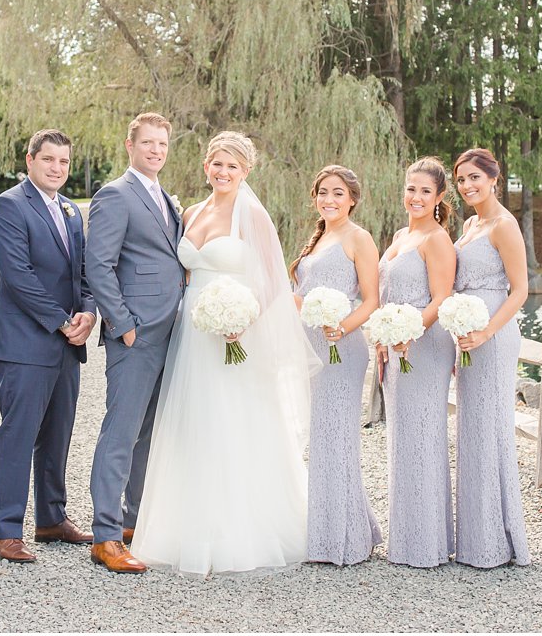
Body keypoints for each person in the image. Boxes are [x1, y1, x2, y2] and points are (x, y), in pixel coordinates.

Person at [130, 131, 321, 575]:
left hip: (236, 334)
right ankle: (186, 528)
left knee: (234, 422)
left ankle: (238, 534)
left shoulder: (252, 214)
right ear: (205, 166)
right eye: (217, 163)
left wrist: (242, 322)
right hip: (191, 334)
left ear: (246, 171)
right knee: (191, 423)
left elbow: (275, 281)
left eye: (232, 166)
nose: (223, 172)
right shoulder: (191, 212)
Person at [0, 129, 98, 563]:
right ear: (29, 160)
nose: (57, 168)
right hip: (26, 341)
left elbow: (82, 272)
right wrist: (62, 320)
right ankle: (6, 530)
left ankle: (51, 518)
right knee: (18, 434)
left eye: (64, 162)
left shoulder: (70, 211)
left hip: (67, 342)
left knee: (57, 433)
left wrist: (88, 312)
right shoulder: (10, 206)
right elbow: (18, 276)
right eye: (48, 160)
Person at [85, 112, 187, 573]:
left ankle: (133, 523)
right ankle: (105, 537)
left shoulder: (167, 199)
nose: (156, 151)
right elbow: (99, 264)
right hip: (136, 332)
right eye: (148, 143)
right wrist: (122, 323)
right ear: (130, 145)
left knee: (148, 434)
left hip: (172, 332)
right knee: (121, 433)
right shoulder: (115, 195)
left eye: (162, 144)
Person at [289, 165, 381, 565]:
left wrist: (341, 327)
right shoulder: (319, 239)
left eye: (338, 193)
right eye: (323, 192)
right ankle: (344, 527)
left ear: (353, 199)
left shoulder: (359, 238)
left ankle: (342, 540)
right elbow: (300, 296)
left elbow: (372, 299)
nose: (329, 199)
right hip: (310, 347)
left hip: (340, 349)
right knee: (322, 440)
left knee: (336, 439)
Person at [450, 147, 531, 568]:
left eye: (474, 178)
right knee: (471, 430)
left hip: (492, 337)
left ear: (494, 179)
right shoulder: (469, 223)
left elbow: (520, 290)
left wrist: (485, 332)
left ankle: (496, 541)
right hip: (467, 337)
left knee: (490, 428)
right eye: (461, 180)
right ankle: (473, 538)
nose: (467, 186)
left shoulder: (504, 226)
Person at [377, 156, 457, 568]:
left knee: (423, 435)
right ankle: (406, 538)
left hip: (424, 345)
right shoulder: (398, 235)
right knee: (403, 438)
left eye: (426, 191)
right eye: (411, 189)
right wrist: (384, 335)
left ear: (440, 197)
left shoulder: (437, 239)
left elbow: (442, 297)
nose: (417, 197)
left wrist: (410, 330)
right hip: (395, 345)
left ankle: (426, 543)